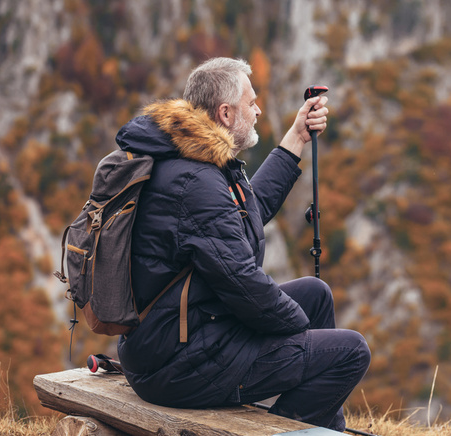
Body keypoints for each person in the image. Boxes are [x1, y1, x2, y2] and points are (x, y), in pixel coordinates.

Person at [115, 57, 370, 432]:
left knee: (315, 294)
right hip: (180, 365)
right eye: (251, 103)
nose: (258, 110)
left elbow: (247, 211)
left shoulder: (189, 159)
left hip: (172, 340)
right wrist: (300, 331)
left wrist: (297, 136)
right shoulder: (196, 182)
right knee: (350, 351)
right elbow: (244, 285)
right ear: (226, 113)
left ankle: (321, 431)